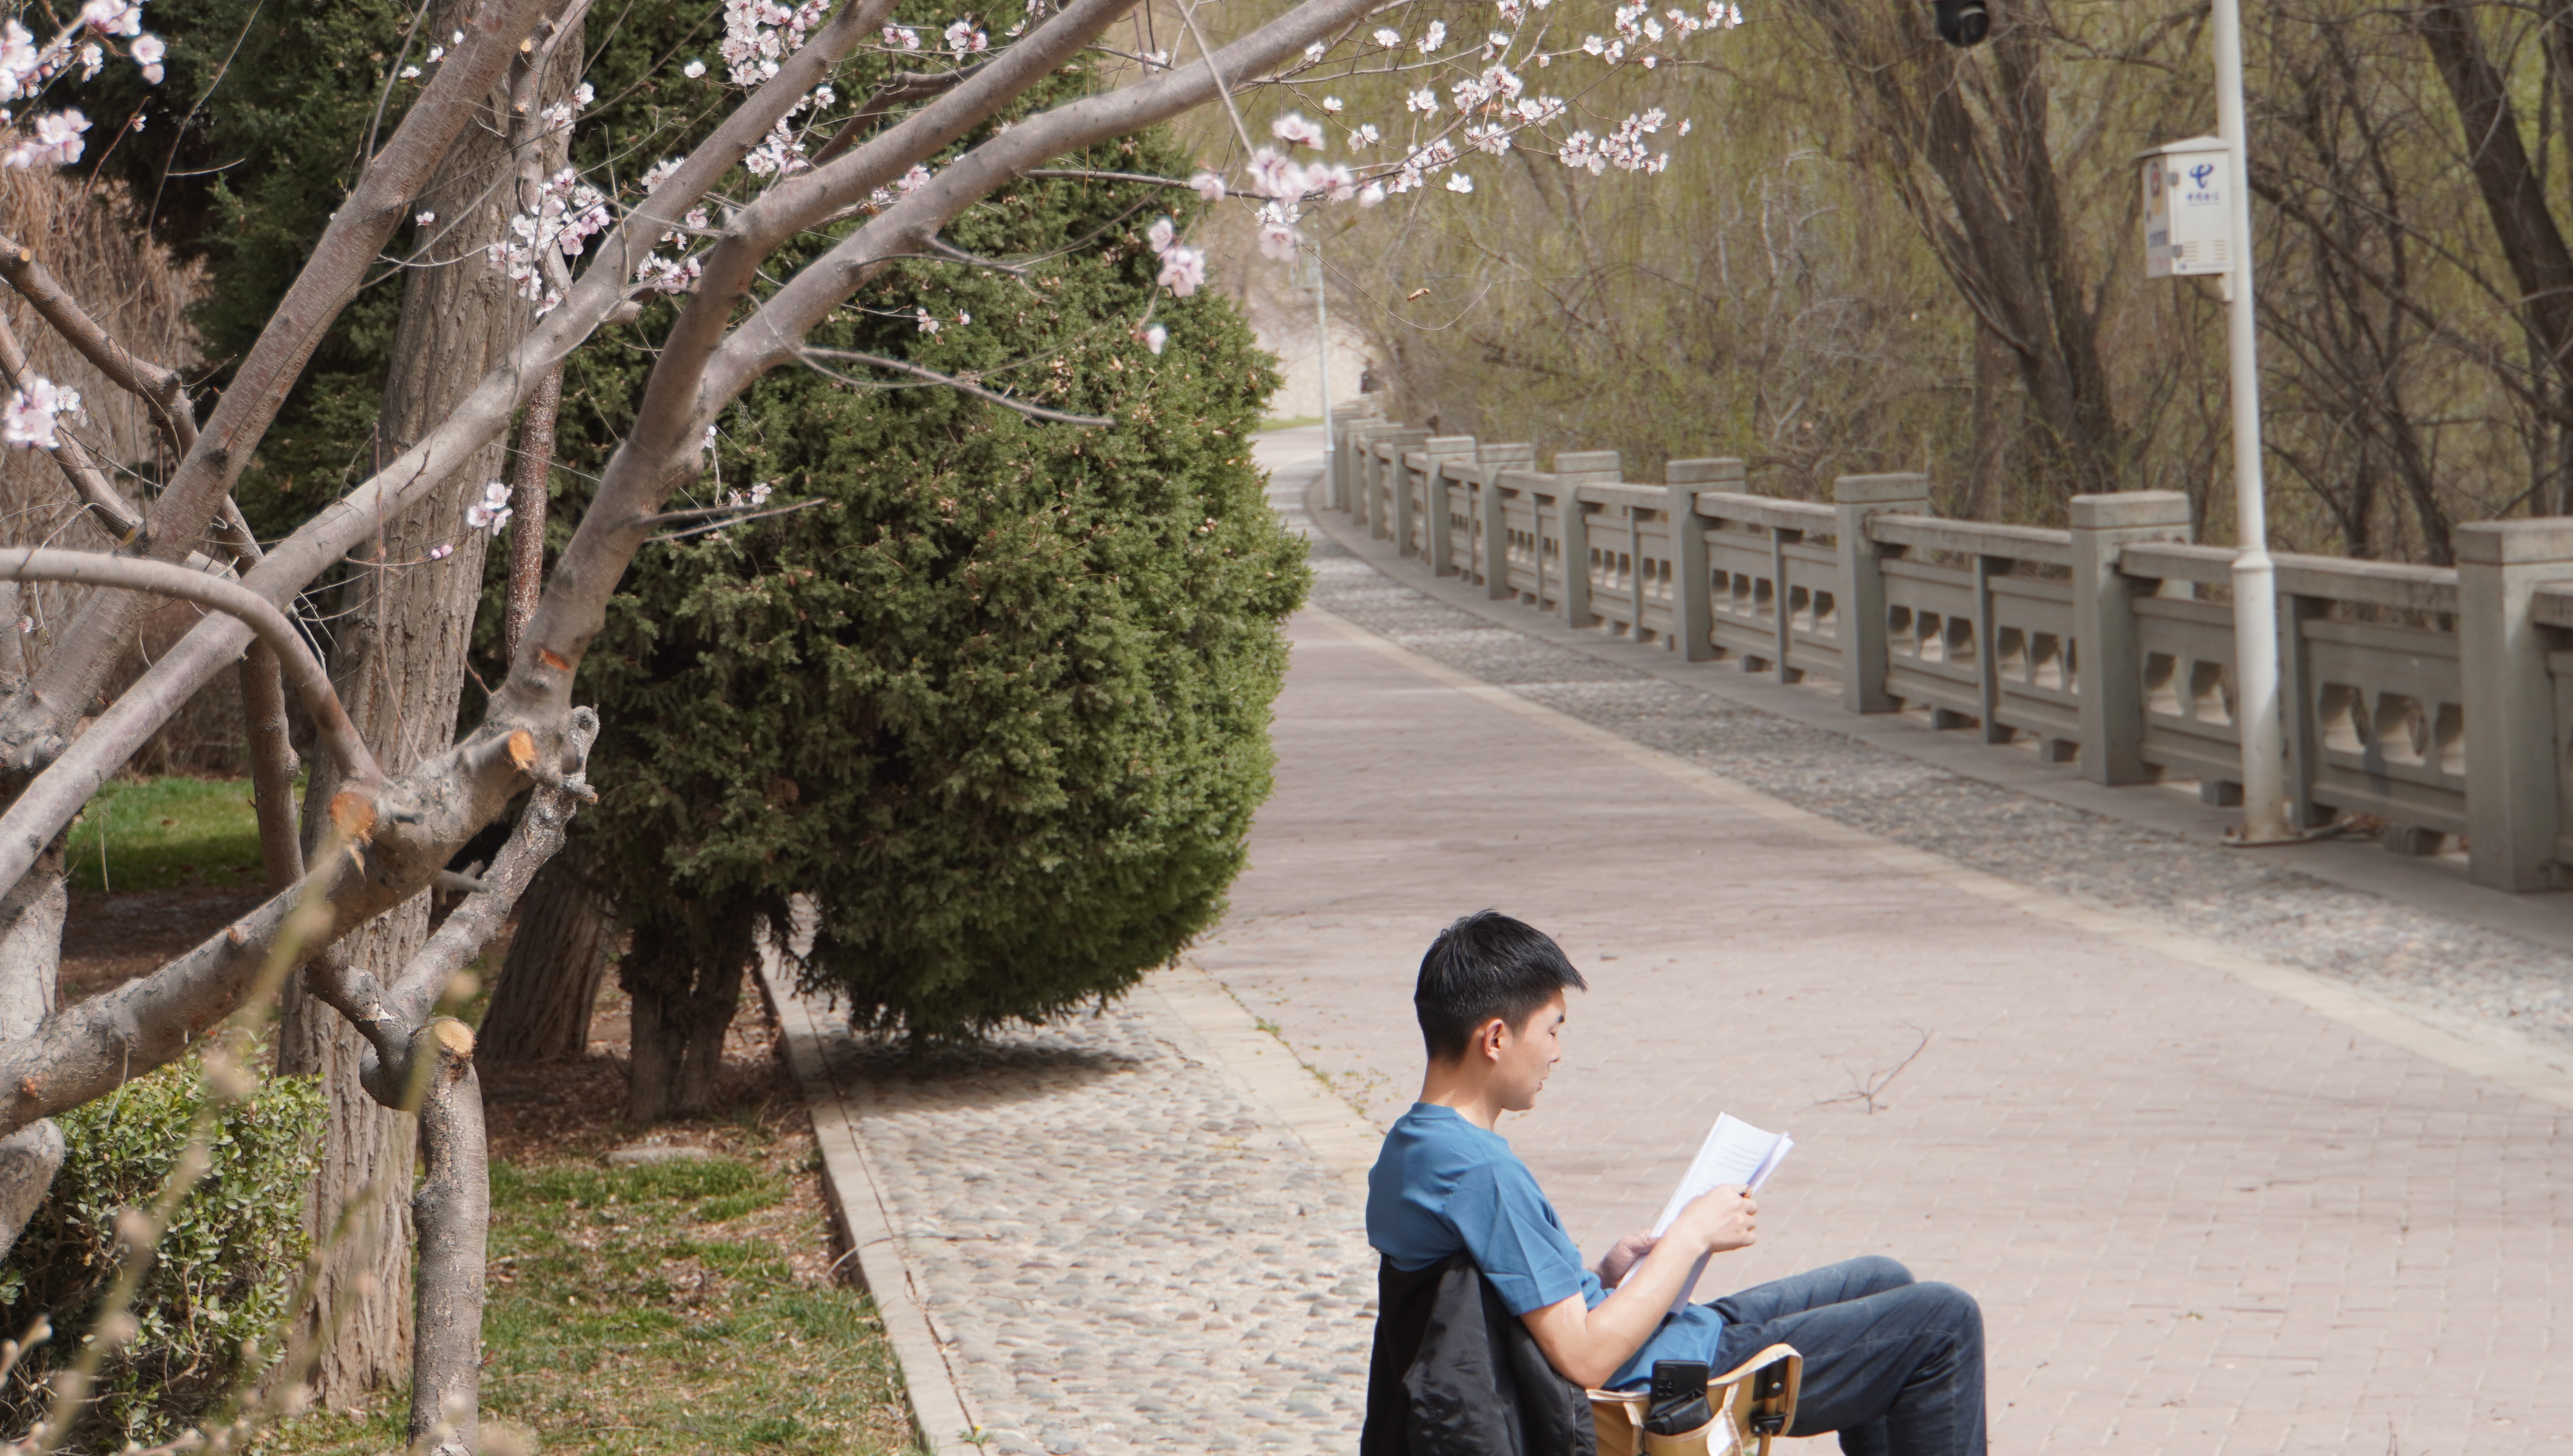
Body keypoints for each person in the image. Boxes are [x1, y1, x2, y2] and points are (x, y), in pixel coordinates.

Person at [1366, 909, 1987, 1456]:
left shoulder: (1412, 1148)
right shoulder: (1481, 1171)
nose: (1557, 1052)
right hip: (1658, 1380)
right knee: (1944, 1325)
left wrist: (1606, 1275)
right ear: (1496, 1038)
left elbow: (1500, 1304)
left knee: (1882, 1279)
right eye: (1552, 1029)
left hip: (1654, 1342)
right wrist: (1691, 1235)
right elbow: (1585, 1358)